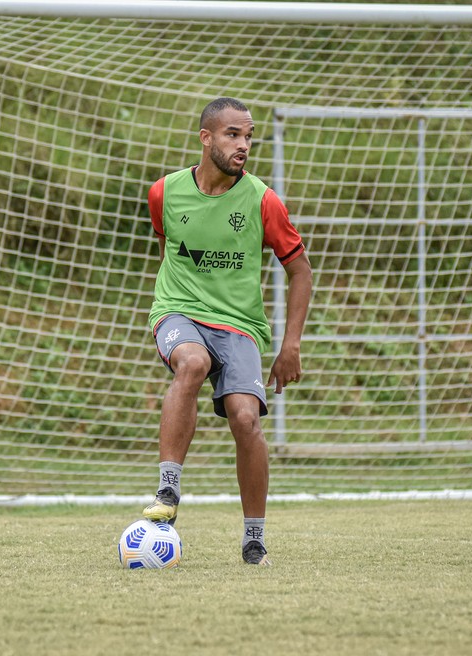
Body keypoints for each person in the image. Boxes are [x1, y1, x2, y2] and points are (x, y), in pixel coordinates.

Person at [143, 97, 312, 566]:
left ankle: (254, 539)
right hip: (177, 310)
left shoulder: (262, 199)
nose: (243, 145)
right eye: (233, 135)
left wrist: (290, 345)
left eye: (249, 136)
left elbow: (301, 272)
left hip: (239, 325)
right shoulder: (164, 192)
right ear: (206, 138)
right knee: (192, 363)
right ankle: (168, 490)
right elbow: (169, 248)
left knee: (244, 419)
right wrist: (178, 306)